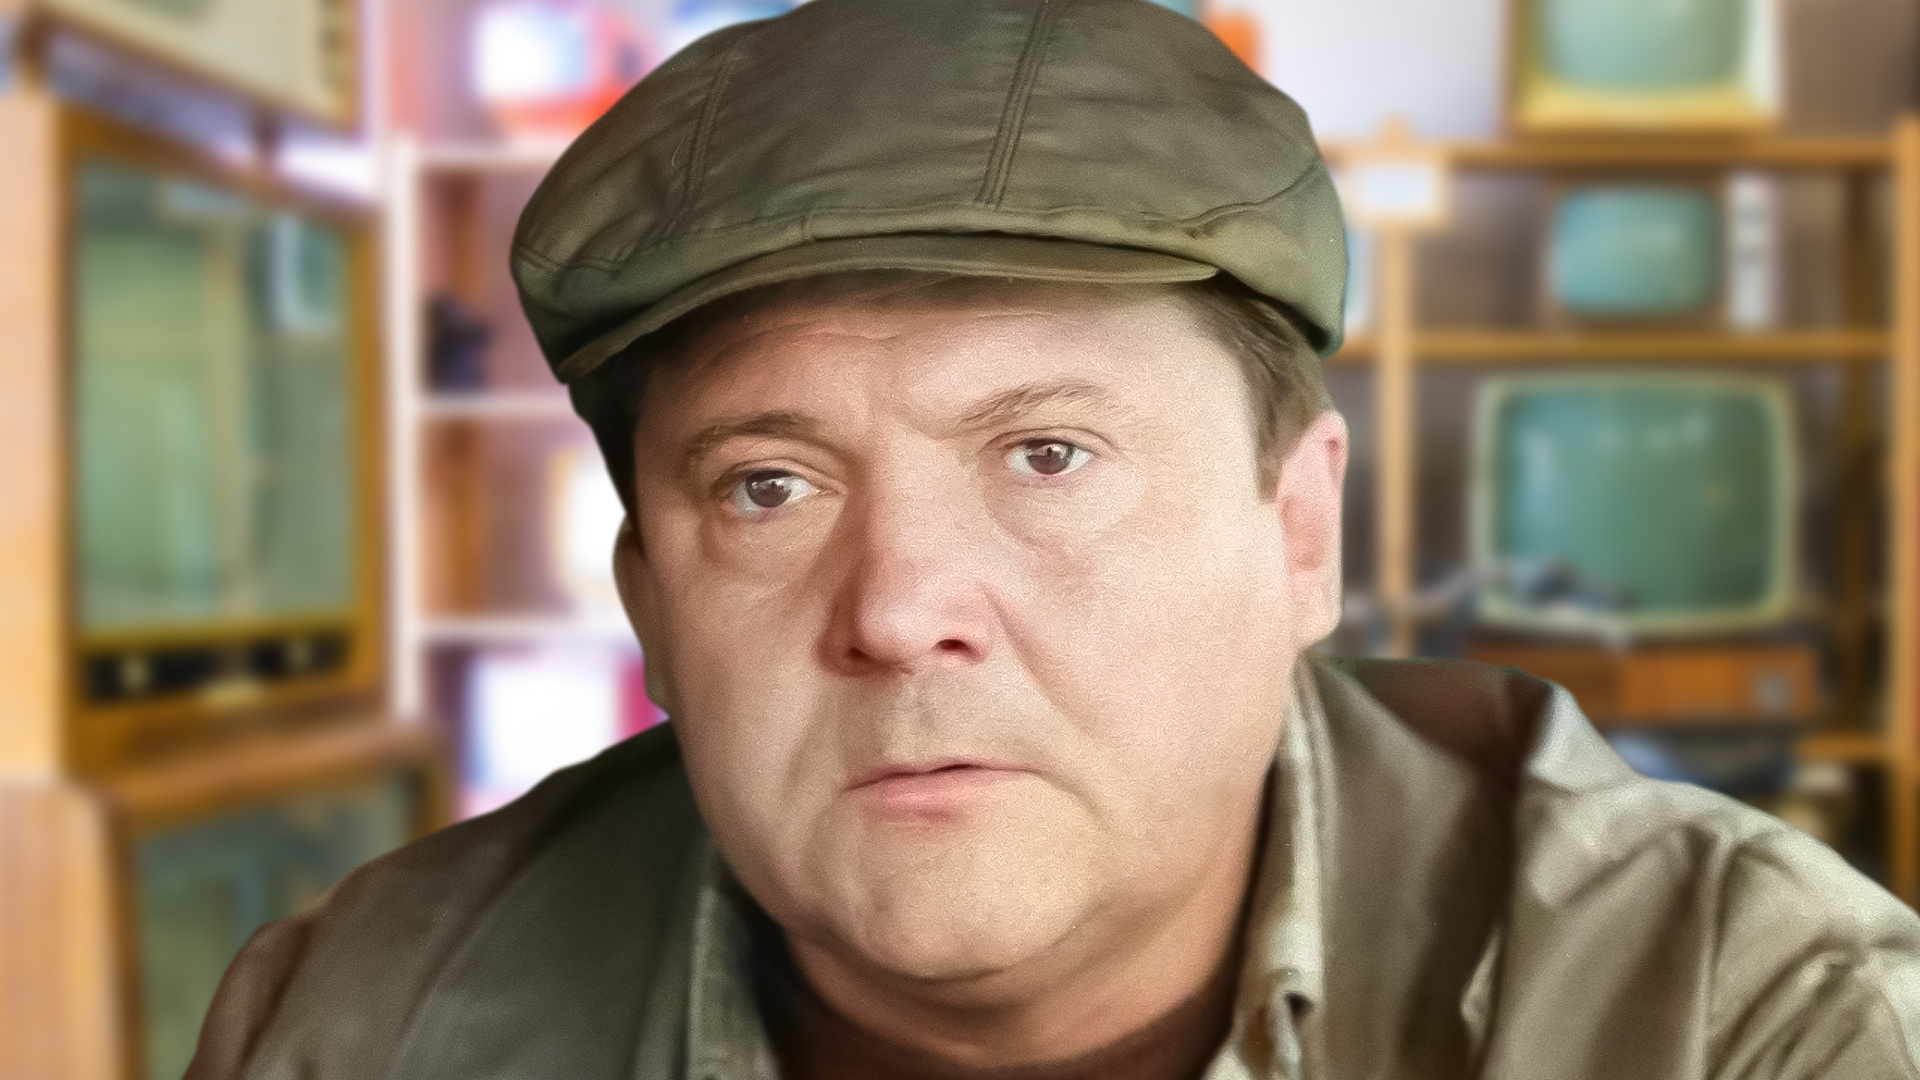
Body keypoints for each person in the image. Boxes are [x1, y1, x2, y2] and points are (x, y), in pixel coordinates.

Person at [188, 1, 1920, 1077]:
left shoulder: (1737, 1016)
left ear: (1298, 531)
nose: (899, 609)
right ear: (651, 601)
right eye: (768, 486)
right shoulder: (358, 1029)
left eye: (1047, 455)